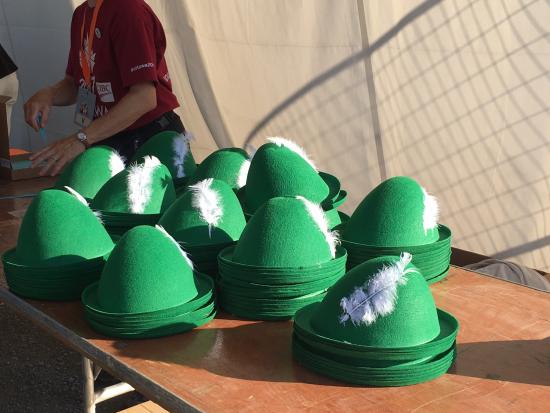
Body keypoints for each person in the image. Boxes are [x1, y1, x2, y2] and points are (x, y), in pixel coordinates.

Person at [24, 0, 184, 176]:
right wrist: (49, 94)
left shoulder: (128, 10)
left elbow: (144, 97)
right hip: (108, 136)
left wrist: (82, 138)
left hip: (150, 138)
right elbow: (75, 84)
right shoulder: (81, 14)